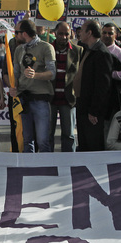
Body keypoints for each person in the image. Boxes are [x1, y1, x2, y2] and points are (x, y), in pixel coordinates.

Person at [9, 18, 56, 153]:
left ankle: (45, 169)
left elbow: (52, 73)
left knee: (42, 140)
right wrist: (14, 88)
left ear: (24, 33)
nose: (15, 35)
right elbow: (16, 74)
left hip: (40, 98)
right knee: (27, 139)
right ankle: (29, 170)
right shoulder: (18, 49)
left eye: (17, 32)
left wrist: (36, 75)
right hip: (23, 98)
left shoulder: (46, 47)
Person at [75, 20, 113, 152]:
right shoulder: (87, 50)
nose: (79, 33)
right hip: (82, 105)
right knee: (84, 145)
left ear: (89, 32)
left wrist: (94, 110)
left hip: (92, 111)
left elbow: (103, 85)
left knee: (93, 145)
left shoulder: (102, 53)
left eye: (82, 30)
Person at [49, 22, 81, 152]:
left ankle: (69, 163)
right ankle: (48, 163)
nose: (63, 37)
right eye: (61, 34)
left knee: (69, 135)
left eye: (66, 34)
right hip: (50, 99)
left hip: (68, 100)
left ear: (71, 34)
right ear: (55, 34)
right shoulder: (48, 49)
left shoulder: (78, 50)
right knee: (48, 135)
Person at [100, 23, 121, 134]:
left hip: (114, 97)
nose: (107, 35)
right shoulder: (96, 50)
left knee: (111, 128)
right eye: (104, 33)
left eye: (110, 33)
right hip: (100, 96)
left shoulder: (120, 53)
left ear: (115, 35)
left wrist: (110, 74)